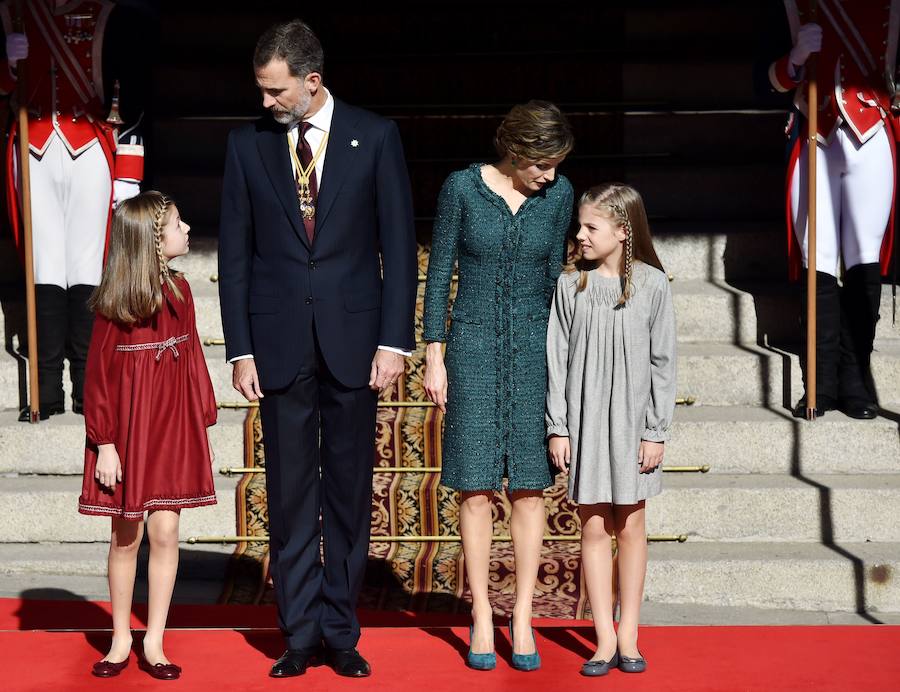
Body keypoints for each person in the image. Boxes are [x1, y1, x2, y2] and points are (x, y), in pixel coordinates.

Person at [218, 19, 416, 679]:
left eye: (276, 91)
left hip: (356, 343)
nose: (266, 103)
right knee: (291, 494)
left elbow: (397, 247)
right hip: (277, 346)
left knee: (350, 494)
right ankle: (299, 632)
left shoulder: (376, 136)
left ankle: (342, 627)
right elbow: (237, 258)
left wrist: (395, 340)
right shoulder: (246, 148)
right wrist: (240, 348)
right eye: (261, 90)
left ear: (312, 81)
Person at [422, 100, 574, 672]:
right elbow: (439, 275)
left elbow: (561, 275)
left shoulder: (558, 198)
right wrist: (434, 355)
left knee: (531, 488)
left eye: (557, 164)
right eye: (542, 164)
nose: (550, 176)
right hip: (474, 347)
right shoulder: (461, 189)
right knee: (476, 487)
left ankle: (525, 614)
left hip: (537, 350)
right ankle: (482, 610)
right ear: (515, 153)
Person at [77, 191, 217, 681]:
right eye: (178, 225)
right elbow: (96, 378)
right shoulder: (114, 303)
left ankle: (154, 640)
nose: (187, 230)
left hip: (171, 429)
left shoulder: (181, 293)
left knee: (166, 530)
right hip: (128, 433)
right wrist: (106, 443)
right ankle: (119, 639)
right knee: (126, 534)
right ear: (153, 241)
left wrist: (200, 417)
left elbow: (193, 359)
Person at [546, 183, 676, 677]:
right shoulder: (570, 285)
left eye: (590, 227)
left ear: (624, 231)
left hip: (633, 424)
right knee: (595, 525)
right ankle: (602, 638)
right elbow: (556, 359)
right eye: (580, 226)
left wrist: (655, 430)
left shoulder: (653, 285)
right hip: (585, 424)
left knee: (633, 524)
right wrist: (558, 427)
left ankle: (630, 635)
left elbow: (664, 363)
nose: (579, 235)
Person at [0, 0, 148, 421]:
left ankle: (88, 387)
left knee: (87, 268)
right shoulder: (15, 12)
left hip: (91, 148)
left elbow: (134, 98)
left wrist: (128, 170)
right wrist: (7, 66)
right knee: (44, 267)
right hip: (33, 146)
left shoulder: (111, 13)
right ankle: (46, 391)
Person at [768, 1, 899, 419]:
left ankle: (855, 380)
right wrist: (795, 58)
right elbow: (761, 79)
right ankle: (819, 382)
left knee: (864, 259)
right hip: (814, 132)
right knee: (818, 258)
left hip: (872, 131)